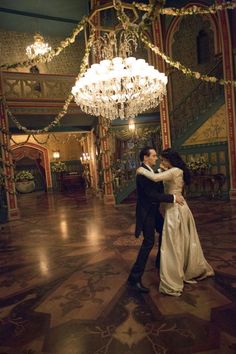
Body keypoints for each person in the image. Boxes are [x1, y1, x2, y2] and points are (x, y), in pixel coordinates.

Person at [137, 148, 214, 296]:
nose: (161, 162)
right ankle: (175, 266)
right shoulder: (174, 170)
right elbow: (161, 177)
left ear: (170, 160)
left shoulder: (175, 171)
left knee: (173, 242)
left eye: (164, 160)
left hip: (175, 210)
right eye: (157, 157)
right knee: (180, 240)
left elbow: (155, 178)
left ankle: (173, 272)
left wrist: (141, 170)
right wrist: (161, 169)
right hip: (174, 208)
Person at [127, 146, 184, 293]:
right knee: (148, 242)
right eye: (153, 156)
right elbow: (152, 195)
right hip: (146, 213)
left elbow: (158, 184)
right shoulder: (142, 174)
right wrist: (173, 198)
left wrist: (163, 172)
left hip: (154, 211)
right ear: (145, 158)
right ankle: (134, 279)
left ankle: (160, 263)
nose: (156, 158)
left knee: (165, 232)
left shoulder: (151, 171)